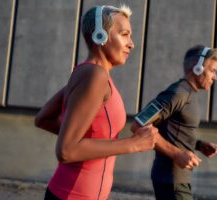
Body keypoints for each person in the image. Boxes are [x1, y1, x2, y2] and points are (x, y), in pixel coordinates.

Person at [35, 5, 159, 200]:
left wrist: (88, 141)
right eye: (124, 34)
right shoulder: (94, 75)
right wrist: (134, 144)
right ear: (100, 36)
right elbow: (66, 150)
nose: (131, 44)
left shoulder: (88, 74)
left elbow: (43, 119)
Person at [131, 45, 217, 200]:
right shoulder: (177, 93)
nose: (215, 77)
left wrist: (199, 145)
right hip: (170, 180)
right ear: (198, 68)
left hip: (177, 179)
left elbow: (171, 131)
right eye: (212, 70)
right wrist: (177, 154)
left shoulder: (188, 93)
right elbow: (139, 125)